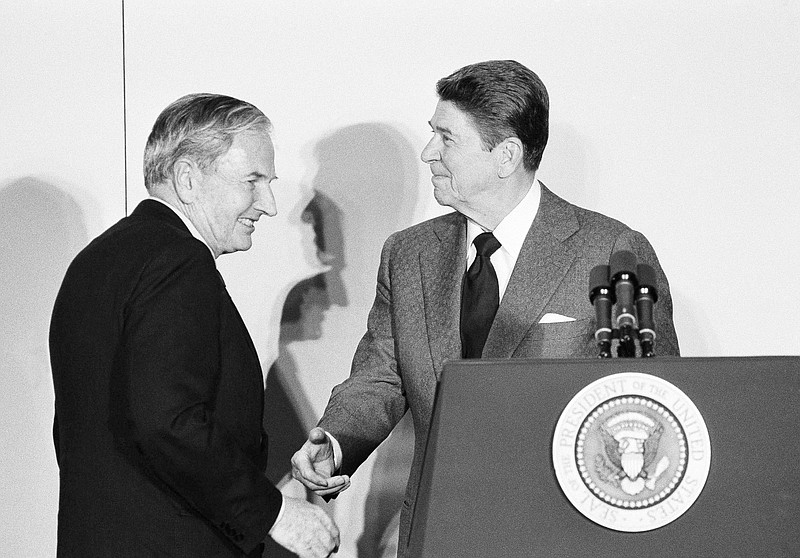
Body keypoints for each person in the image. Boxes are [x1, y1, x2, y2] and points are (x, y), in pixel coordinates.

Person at [291, 60, 680, 557]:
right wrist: (338, 442)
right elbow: (381, 374)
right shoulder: (409, 254)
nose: (428, 152)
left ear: (506, 156)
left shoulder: (610, 251)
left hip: (566, 536)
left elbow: (657, 402)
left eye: (446, 138)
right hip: (439, 532)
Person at [49, 93, 342, 558]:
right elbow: (167, 421)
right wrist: (273, 513)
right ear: (188, 179)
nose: (267, 204)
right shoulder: (179, 262)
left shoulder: (97, 260)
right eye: (253, 180)